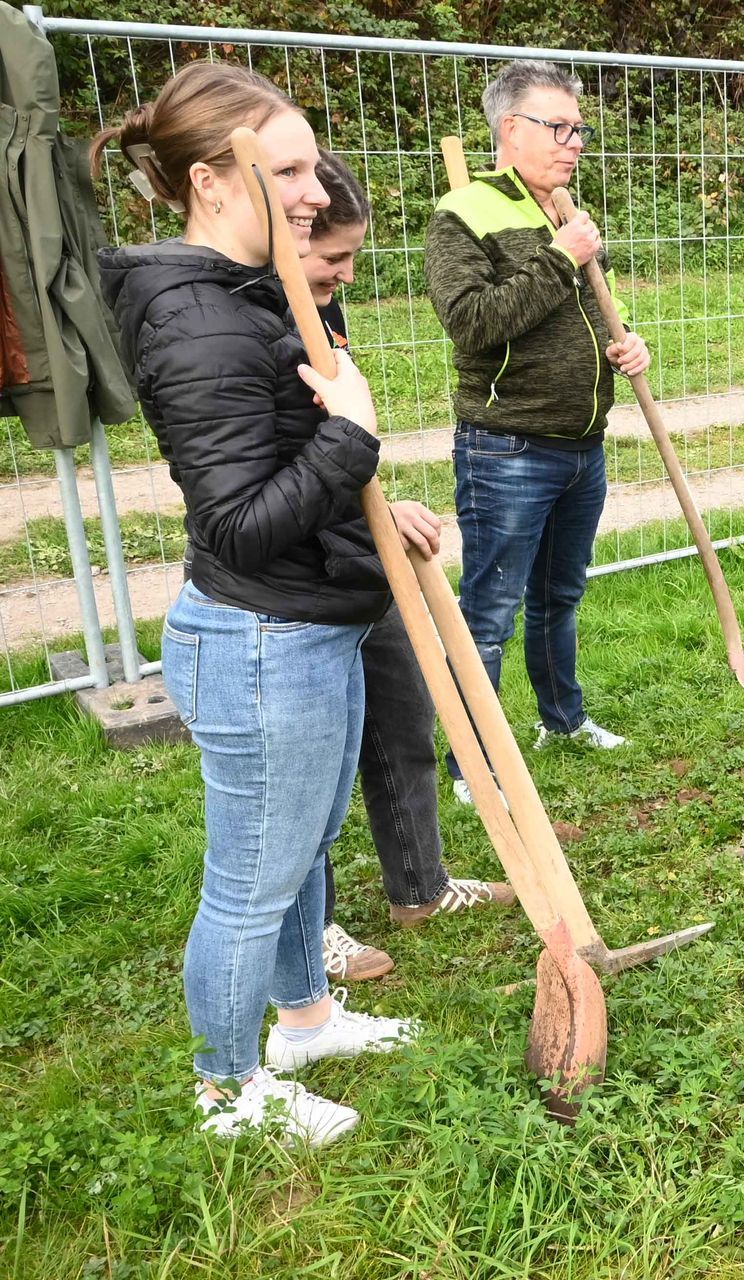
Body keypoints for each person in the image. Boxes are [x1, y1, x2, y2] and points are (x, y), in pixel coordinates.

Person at [95, 63, 420, 1144]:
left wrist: (371, 495)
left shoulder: (257, 291)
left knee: (302, 850)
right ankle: (229, 1090)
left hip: (308, 624)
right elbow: (238, 522)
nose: (316, 191)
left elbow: (284, 467)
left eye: (309, 166)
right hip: (261, 641)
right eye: (287, 171)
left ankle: (306, 1022)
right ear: (211, 179)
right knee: (252, 880)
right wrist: (352, 436)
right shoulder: (200, 324)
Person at [300, 151, 516, 983]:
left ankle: (420, 888)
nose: (348, 275)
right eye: (335, 257)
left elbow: (338, 440)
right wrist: (373, 513)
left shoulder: (324, 306)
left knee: (403, 718)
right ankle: (308, 930)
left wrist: (381, 513)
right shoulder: (254, 320)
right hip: (293, 573)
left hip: (359, 550)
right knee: (313, 770)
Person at [424, 60, 649, 806]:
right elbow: (472, 322)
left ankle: (563, 721)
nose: (574, 141)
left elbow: (593, 311)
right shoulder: (463, 213)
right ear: (510, 129)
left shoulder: (565, 210)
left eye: (578, 128)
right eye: (559, 127)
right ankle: (473, 764)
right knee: (490, 612)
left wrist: (627, 345)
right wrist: (561, 258)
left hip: (583, 445)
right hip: (508, 449)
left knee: (560, 596)